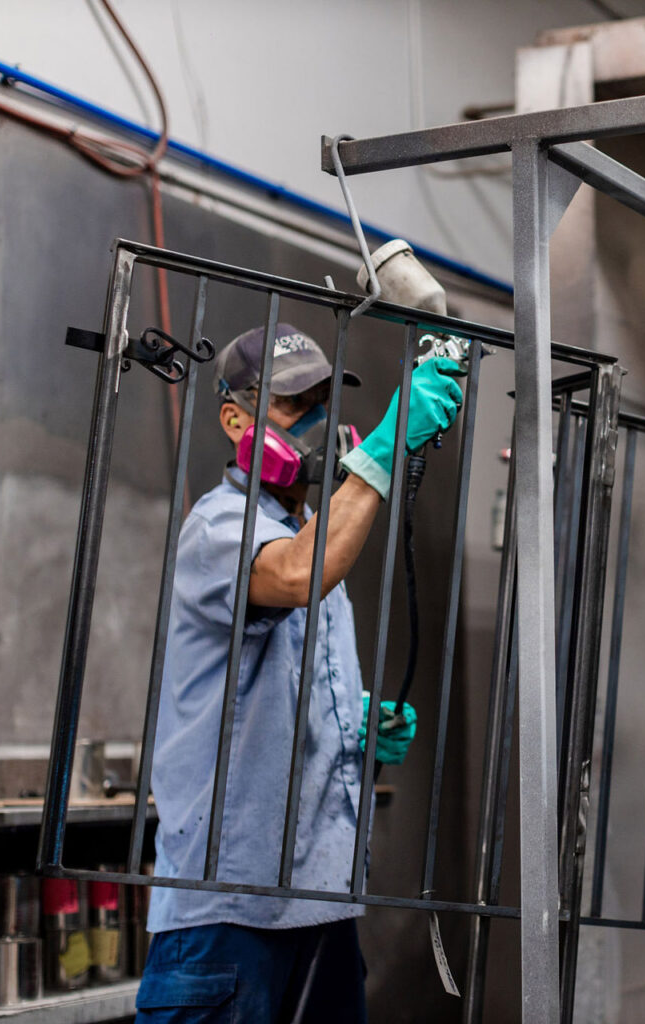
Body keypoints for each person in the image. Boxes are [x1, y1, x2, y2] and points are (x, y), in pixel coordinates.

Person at [135, 323, 464, 1023]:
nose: (318, 423)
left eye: (322, 402)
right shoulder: (218, 527)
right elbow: (293, 576)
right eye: (293, 405)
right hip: (227, 912)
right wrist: (384, 448)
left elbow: (285, 671)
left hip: (319, 906)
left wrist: (356, 725)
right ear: (235, 419)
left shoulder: (312, 533)